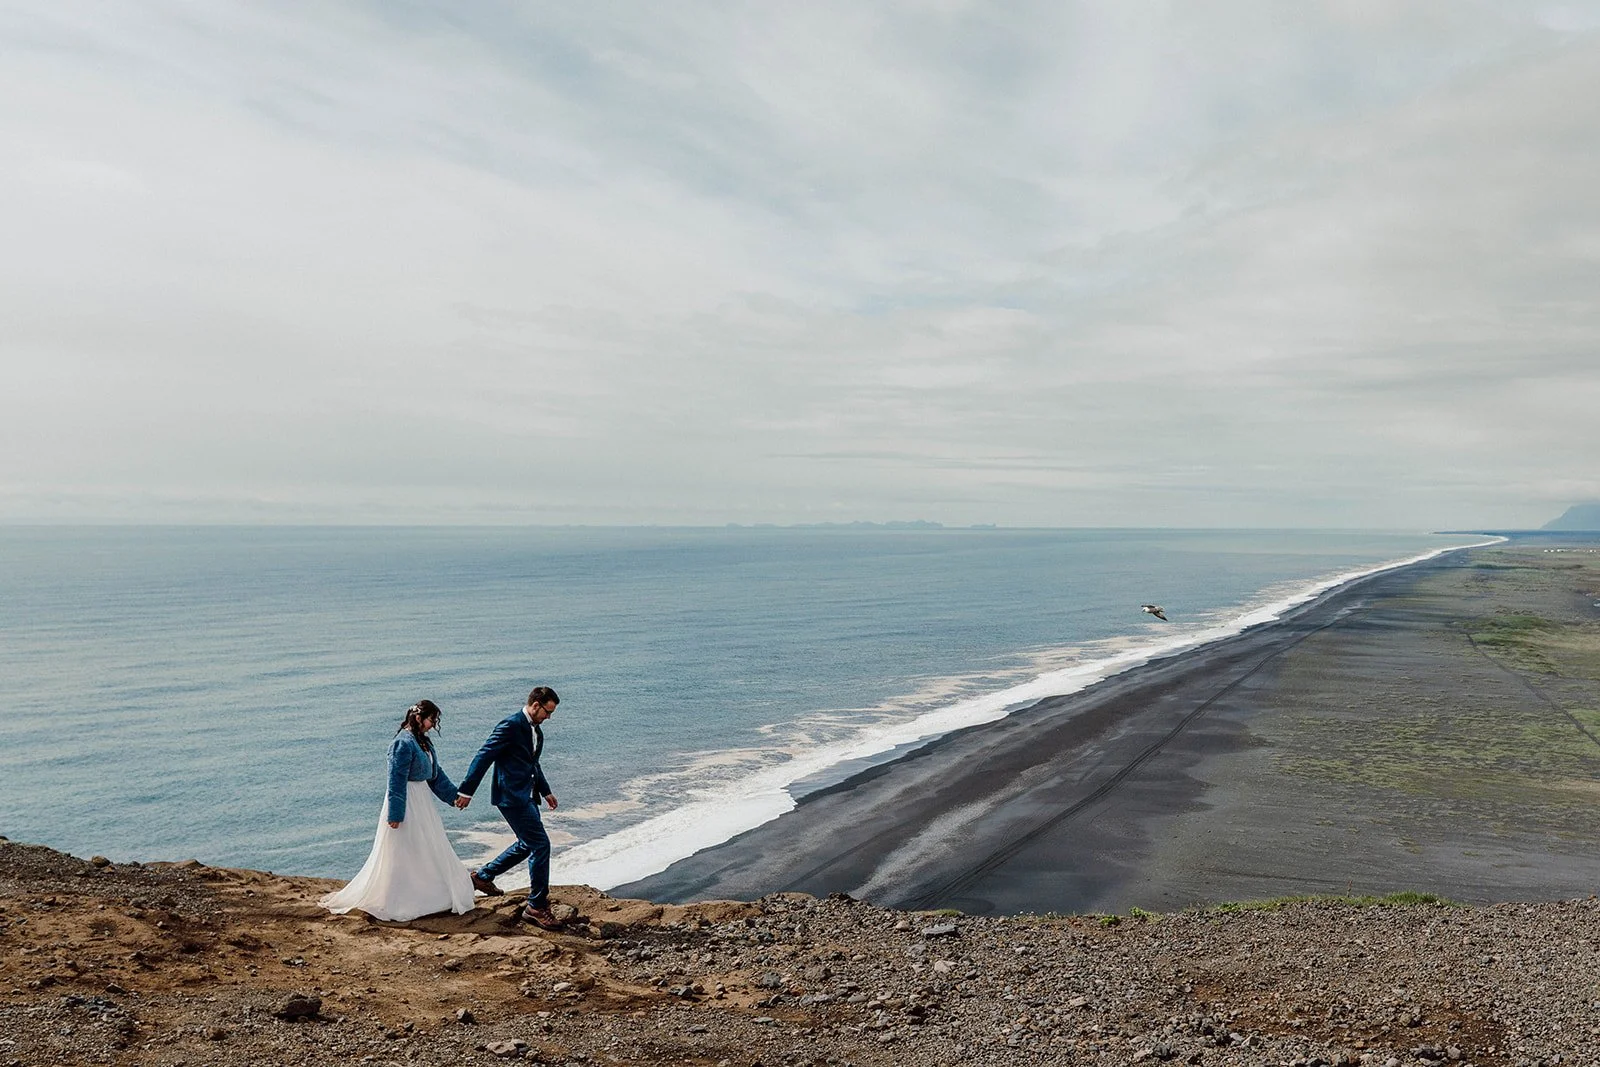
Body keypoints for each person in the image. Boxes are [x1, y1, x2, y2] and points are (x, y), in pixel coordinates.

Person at [321, 700, 476, 921]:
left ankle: (431, 892)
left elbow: (435, 774)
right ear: (419, 718)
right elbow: (395, 781)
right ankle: (403, 898)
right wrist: (395, 815)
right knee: (405, 849)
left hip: (422, 802)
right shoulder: (402, 743)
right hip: (407, 803)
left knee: (426, 847)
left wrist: (454, 797)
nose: (433, 724)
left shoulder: (423, 742)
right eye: (432, 720)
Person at [455, 685, 562, 929]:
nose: (549, 717)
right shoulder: (510, 725)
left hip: (528, 795)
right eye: (547, 711)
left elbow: (532, 763)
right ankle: (536, 906)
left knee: (528, 844)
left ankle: (482, 877)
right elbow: (484, 756)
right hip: (511, 797)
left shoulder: (536, 730)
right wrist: (466, 791)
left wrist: (546, 791)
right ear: (535, 705)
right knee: (540, 844)